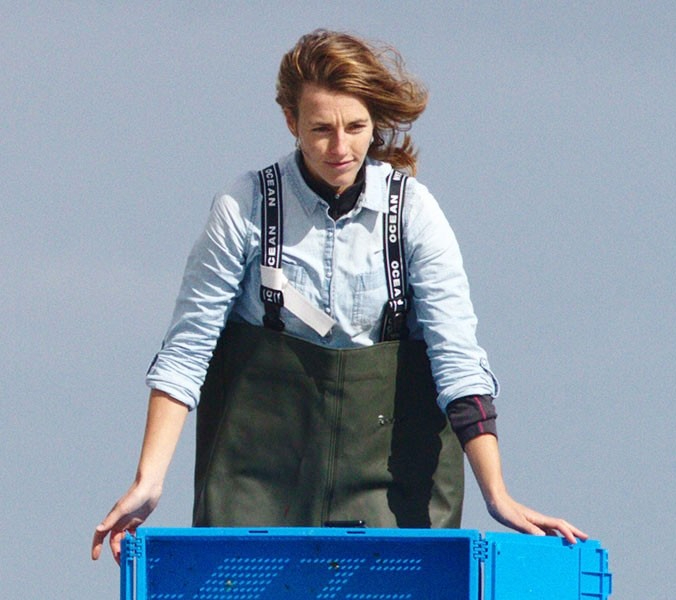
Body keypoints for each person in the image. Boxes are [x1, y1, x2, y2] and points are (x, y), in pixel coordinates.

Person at [92, 29, 585, 563]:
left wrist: (498, 494)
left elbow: (458, 362)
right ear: (291, 122)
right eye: (321, 129)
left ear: (374, 121)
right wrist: (148, 481)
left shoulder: (414, 213)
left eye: (355, 127)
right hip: (256, 481)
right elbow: (187, 353)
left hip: (394, 484)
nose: (340, 148)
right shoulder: (244, 207)